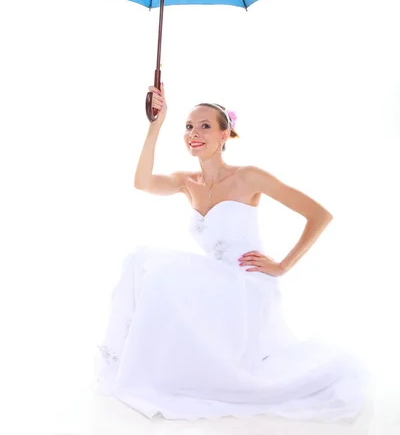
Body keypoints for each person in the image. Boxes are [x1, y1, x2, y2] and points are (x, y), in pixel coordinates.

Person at [94, 83, 370, 422]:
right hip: (216, 281)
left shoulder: (248, 177)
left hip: (248, 286)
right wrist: (156, 125)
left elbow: (320, 215)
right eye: (189, 127)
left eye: (205, 126)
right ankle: (139, 365)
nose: (194, 133)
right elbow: (142, 182)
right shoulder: (186, 182)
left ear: (225, 135)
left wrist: (282, 265)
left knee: (155, 266)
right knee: (141, 261)